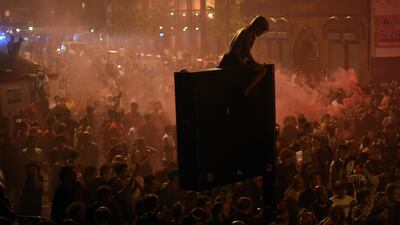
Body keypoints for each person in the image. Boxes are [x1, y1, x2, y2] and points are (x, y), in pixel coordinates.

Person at [219, 15, 269, 96]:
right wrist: (256, 63)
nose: (262, 33)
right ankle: (246, 91)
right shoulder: (247, 33)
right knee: (263, 70)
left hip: (228, 60)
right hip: (234, 63)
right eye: (262, 31)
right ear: (258, 27)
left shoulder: (242, 30)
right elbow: (247, 53)